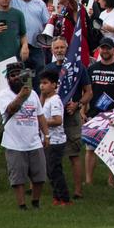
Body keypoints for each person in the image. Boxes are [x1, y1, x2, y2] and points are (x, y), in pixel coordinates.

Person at [44, 36, 91, 199]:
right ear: (51, 50)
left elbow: (89, 92)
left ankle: (78, 191)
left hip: (71, 116)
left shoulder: (79, 68)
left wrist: (77, 105)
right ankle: (51, 187)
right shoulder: (48, 69)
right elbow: (42, 92)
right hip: (53, 117)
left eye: (62, 48)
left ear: (67, 49)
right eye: (56, 48)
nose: (59, 51)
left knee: (74, 154)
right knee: (48, 153)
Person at [0, 62, 49, 210]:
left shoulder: (33, 94)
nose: (15, 78)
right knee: (18, 178)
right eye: (12, 76)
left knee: (39, 176)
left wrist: (46, 135)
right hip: (14, 143)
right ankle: (22, 205)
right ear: (7, 78)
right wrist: (20, 96)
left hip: (34, 141)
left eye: (18, 75)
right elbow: (9, 110)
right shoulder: (4, 94)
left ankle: (35, 202)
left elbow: (40, 116)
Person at [85, 37, 114, 184]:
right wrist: (84, 109)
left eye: (108, 48)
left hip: (113, 115)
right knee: (90, 149)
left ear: (113, 49)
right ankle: (89, 180)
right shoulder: (92, 69)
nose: (105, 51)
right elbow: (86, 90)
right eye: (102, 48)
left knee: (112, 149)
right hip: (94, 113)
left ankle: (111, 180)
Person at [11, 0, 50, 91]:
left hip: (36, 46)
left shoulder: (39, 2)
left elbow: (46, 23)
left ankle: (38, 101)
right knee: (18, 76)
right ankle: (19, 101)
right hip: (18, 46)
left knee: (39, 75)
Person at [39, 70, 71, 206]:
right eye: (41, 83)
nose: (42, 86)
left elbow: (58, 120)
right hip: (47, 140)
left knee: (54, 170)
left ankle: (64, 198)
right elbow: (39, 109)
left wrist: (43, 122)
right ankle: (57, 196)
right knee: (49, 170)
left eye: (45, 83)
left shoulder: (55, 101)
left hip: (56, 141)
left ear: (54, 85)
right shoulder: (46, 99)